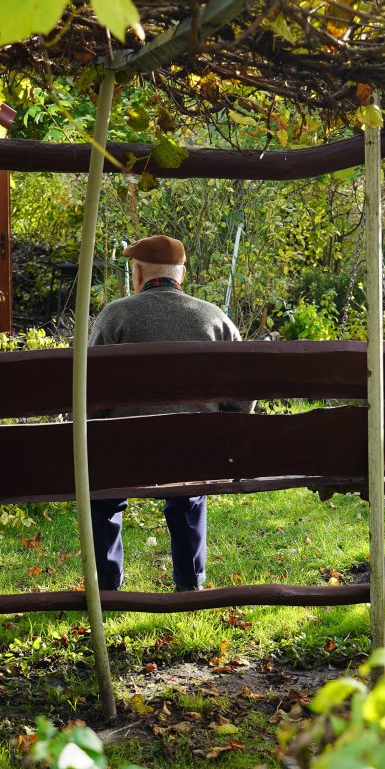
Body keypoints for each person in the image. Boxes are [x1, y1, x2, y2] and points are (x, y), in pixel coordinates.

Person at [88, 234, 250, 592]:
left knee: (103, 488)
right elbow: (243, 396)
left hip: (123, 454)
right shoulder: (215, 319)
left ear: (138, 273)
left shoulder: (116, 315)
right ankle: (189, 582)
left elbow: (90, 392)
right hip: (193, 455)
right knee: (188, 484)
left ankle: (107, 583)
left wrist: (91, 434)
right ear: (182, 274)